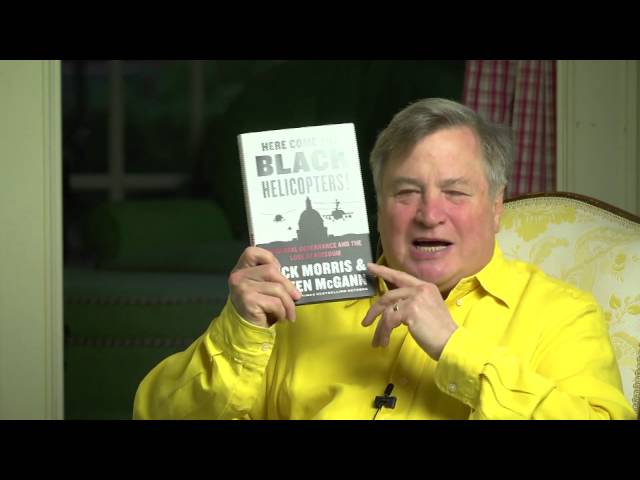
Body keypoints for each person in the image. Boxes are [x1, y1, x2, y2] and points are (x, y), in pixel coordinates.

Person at [133, 98, 635, 419]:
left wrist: (455, 348)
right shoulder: (293, 302)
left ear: (497, 207)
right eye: (406, 192)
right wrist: (241, 330)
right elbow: (155, 413)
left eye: (455, 193)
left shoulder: (563, 315)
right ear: (376, 208)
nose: (430, 215)